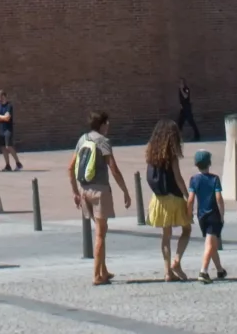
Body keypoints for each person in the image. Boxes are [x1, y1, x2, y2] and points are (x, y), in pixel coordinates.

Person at [69, 110, 132, 287]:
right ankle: (96, 275)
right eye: (107, 122)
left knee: (99, 229)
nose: (109, 125)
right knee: (100, 234)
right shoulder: (103, 142)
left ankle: (103, 270)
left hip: (84, 190)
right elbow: (114, 169)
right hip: (99, 191)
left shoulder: (83, 139)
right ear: (102, 124)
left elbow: (70, 167)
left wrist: (75, 192)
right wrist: (125, 191)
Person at [141, 120, 191, 281]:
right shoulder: (172, 154)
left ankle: (167, 272)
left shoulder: (151, 151)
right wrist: (187, 195)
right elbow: (178, 177)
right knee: (187, 229)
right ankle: (176, 261)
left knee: (166, 236)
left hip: (158, 199)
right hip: (174, 198)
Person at [187, 148, 227, 283]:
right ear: (209, 163)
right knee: (209, 244)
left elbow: (191, 199)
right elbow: (219, 197)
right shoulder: (214, 179)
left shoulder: (193, 180)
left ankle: (220, 270)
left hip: (201, 215)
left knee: (212, 243)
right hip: (213, 214)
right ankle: (203, 271)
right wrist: (222, 213)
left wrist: (189, 214)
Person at [0, 91, 19, 171]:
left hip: (7, 129)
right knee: (3, 147)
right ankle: (8, 165)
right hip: (0, 129)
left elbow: (7, 118)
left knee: (9, 146)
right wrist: (2, 117)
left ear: (3, 96)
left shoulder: (9, 106)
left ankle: (18, 163)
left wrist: (0, 117)